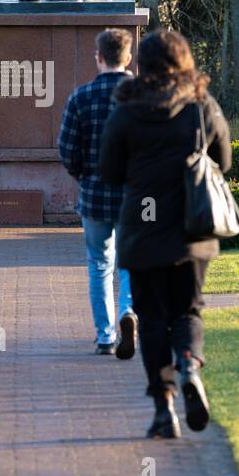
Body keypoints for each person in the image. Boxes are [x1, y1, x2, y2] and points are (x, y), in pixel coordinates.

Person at [98, 30, 233, 439]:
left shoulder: (127, 107)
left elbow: (109, 171)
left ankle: (164, 407)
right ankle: (190, 364)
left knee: (153, 320)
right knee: (188, 311)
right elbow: (224, 161)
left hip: (142, 229)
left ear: (143, 63)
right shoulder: (201, 104)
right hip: (193, 227)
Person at [57, 28, 136, 358]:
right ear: (128, 57)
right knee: (132, 264)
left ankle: (104, 335)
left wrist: (84, 177)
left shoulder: (80, 97)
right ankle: (128, 313)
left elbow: (67, 150)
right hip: (136, 197)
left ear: (99, 57)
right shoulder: (143, 97)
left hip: (94, 194)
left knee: (99, 265)